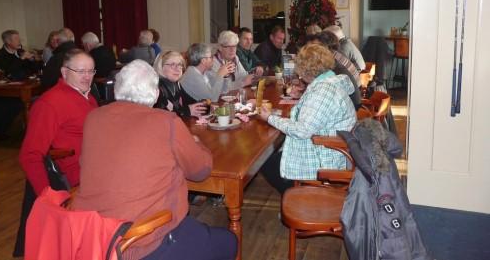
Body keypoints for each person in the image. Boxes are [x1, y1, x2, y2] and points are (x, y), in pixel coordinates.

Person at [72, 60, 237, 260]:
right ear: (157, 94)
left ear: (117, 90)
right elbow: (200, 170)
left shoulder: (93, 118)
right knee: (229, 241)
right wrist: (198, 144)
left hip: (93, 239)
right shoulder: (166, 121)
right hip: (144, 242)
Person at [14, 49, 98, 256]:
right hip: (75, 177)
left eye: (91, 71)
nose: (87, 76)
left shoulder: (89, 98)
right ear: (64, 71)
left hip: (96, 170)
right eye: (80, 71)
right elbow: (30, 155)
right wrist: (47, 196)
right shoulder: (50, 103)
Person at [258, 43, 356, 194]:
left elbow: (302, 130)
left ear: (306, 70)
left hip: (325, 158)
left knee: (264, 161)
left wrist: (269, 117)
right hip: (332, 150)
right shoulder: (329, 83)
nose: (299, 75)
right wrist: (304, 97)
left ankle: (299, 198)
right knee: (274, 153)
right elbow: (318, 113)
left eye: (299, 70)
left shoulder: (323, 91)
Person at [153, 50, 207, 117]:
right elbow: (165, 114)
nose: (177, 69)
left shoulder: (176, 84)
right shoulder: (157, 88)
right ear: (160, 66)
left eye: (179, 64)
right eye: (172, 64)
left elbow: (189, 101)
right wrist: (188, 110)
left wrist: (202, 103)